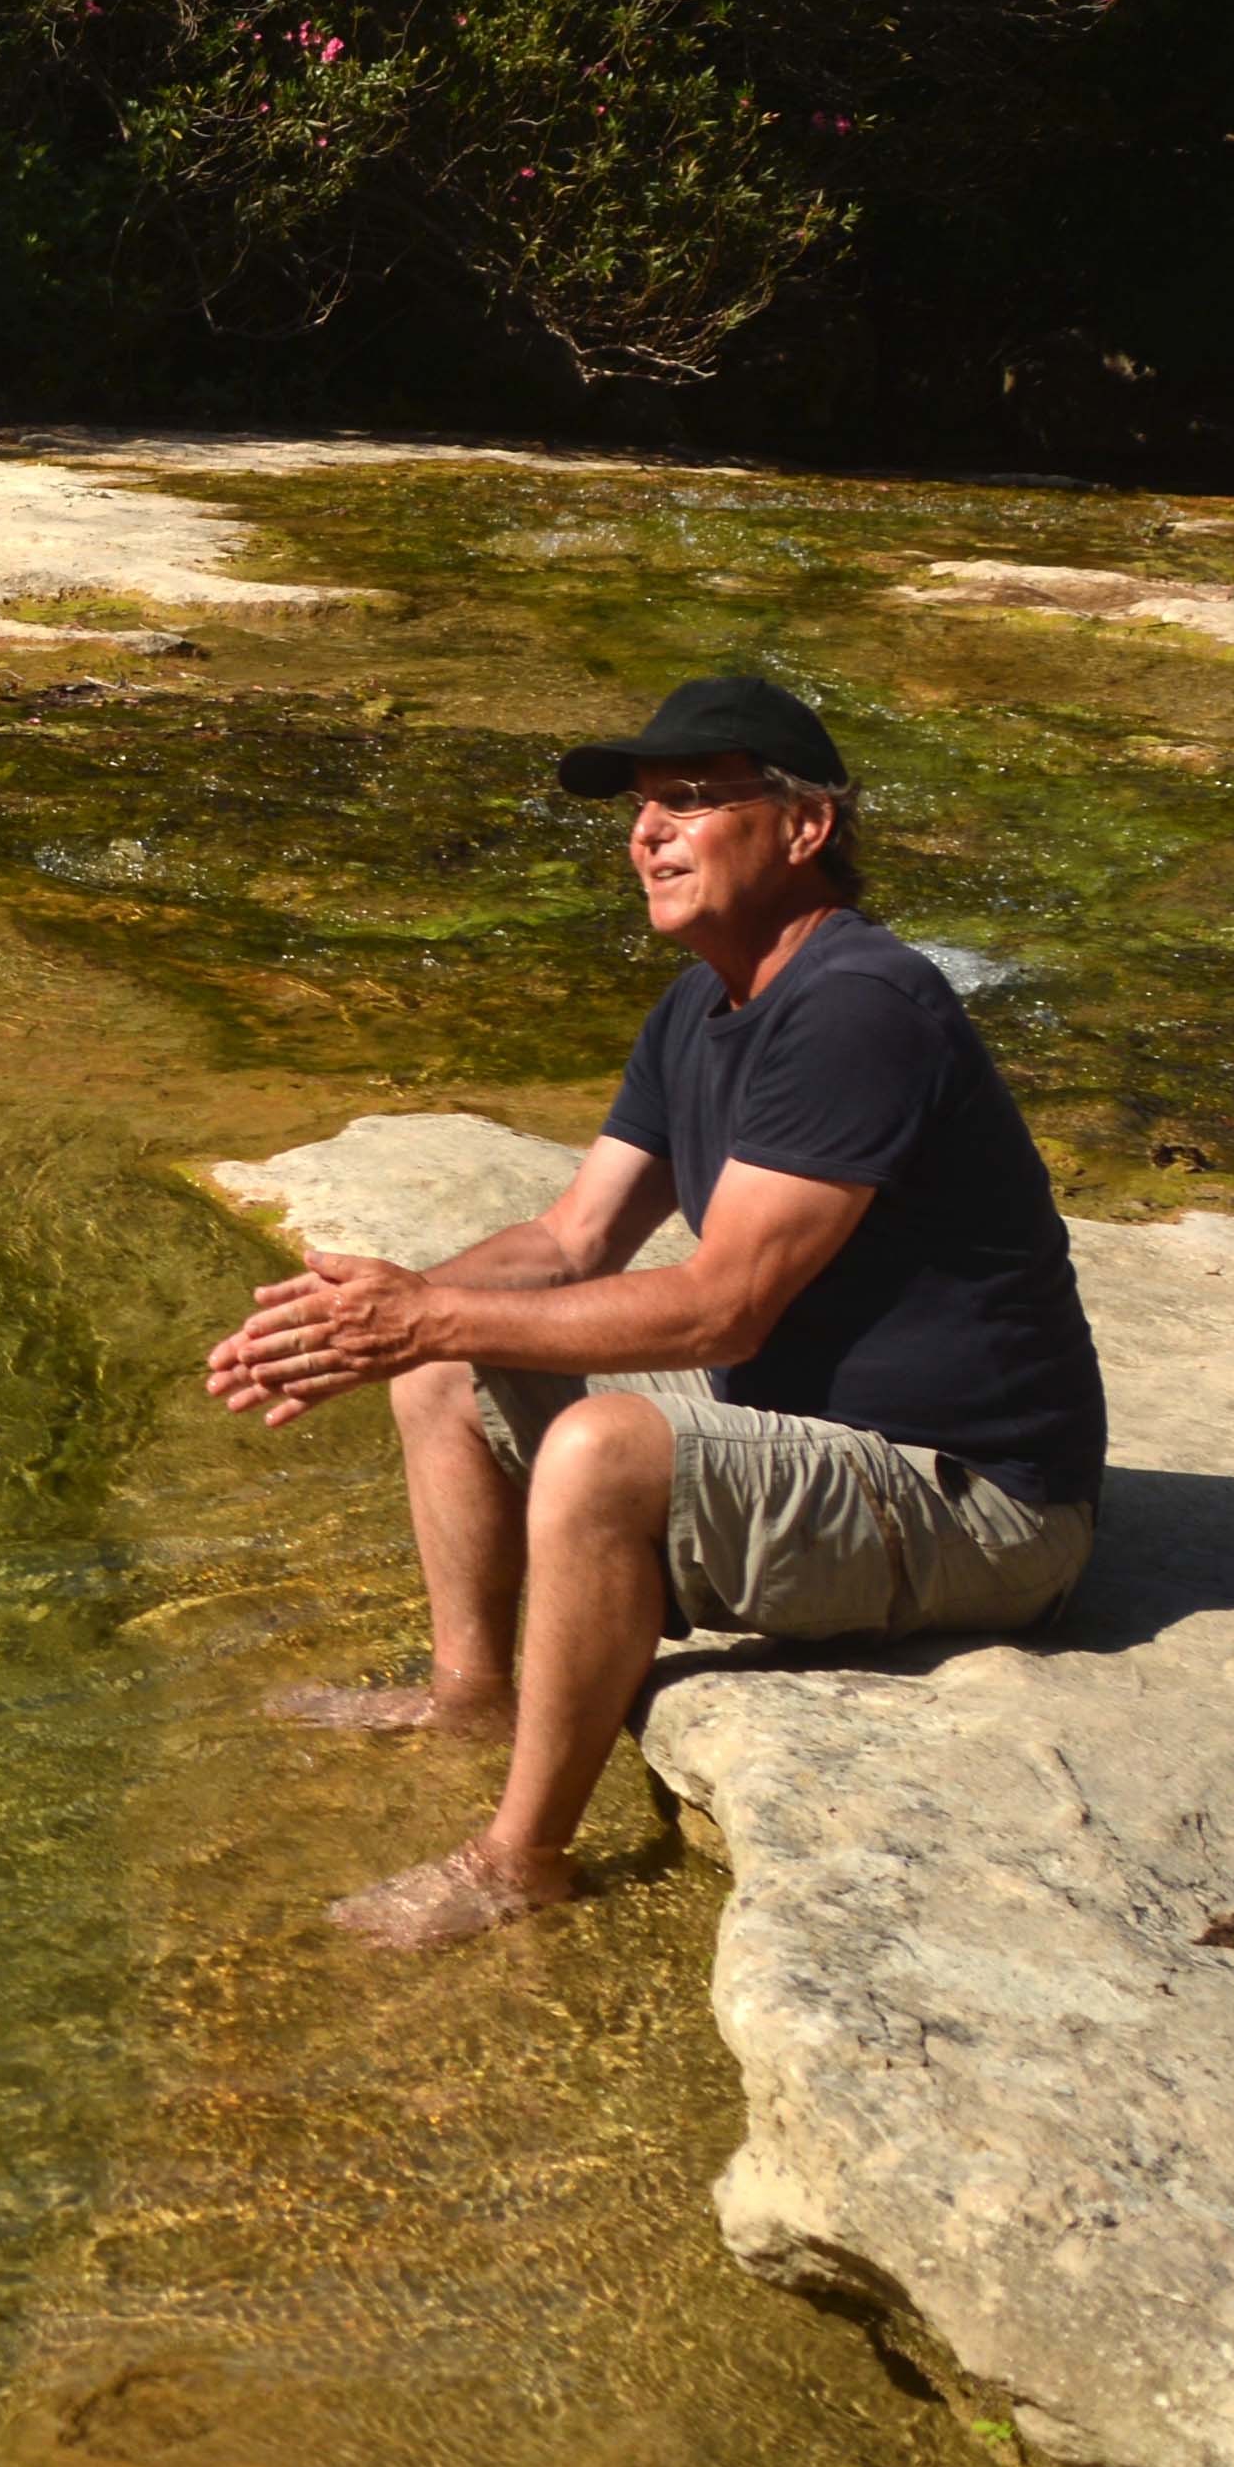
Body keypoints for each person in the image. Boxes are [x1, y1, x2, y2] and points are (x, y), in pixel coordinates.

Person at [200, 672, 1106, 1947]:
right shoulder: (701, 1005)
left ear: (806, 826)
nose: (647, 833)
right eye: (640, 807)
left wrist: (430, 1315)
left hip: (982, 1502)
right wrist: (379, 1313)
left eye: (689, 799)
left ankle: (521, 1860)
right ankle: (471, 1695)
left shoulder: (859, 1006)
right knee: (448, 1357)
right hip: (814, 1428)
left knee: (599, 1451)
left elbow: (721, 1310)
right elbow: (571, 1239)